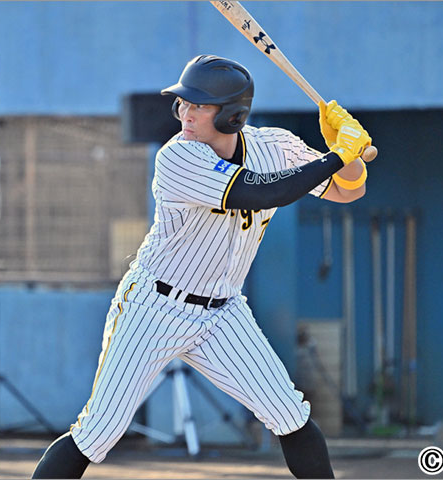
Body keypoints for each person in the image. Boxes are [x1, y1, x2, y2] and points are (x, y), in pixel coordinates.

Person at [32, 54, 373, 479]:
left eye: (198, 106)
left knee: (290, 414)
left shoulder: (274, 146)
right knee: (98, 431)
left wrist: (350, 149)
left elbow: (346, 192)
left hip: (222, 313)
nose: (185, 114)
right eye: (183, 104)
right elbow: (260, 192)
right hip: (153, 308)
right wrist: (335, 155)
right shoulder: (178, 158)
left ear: (231, 116)